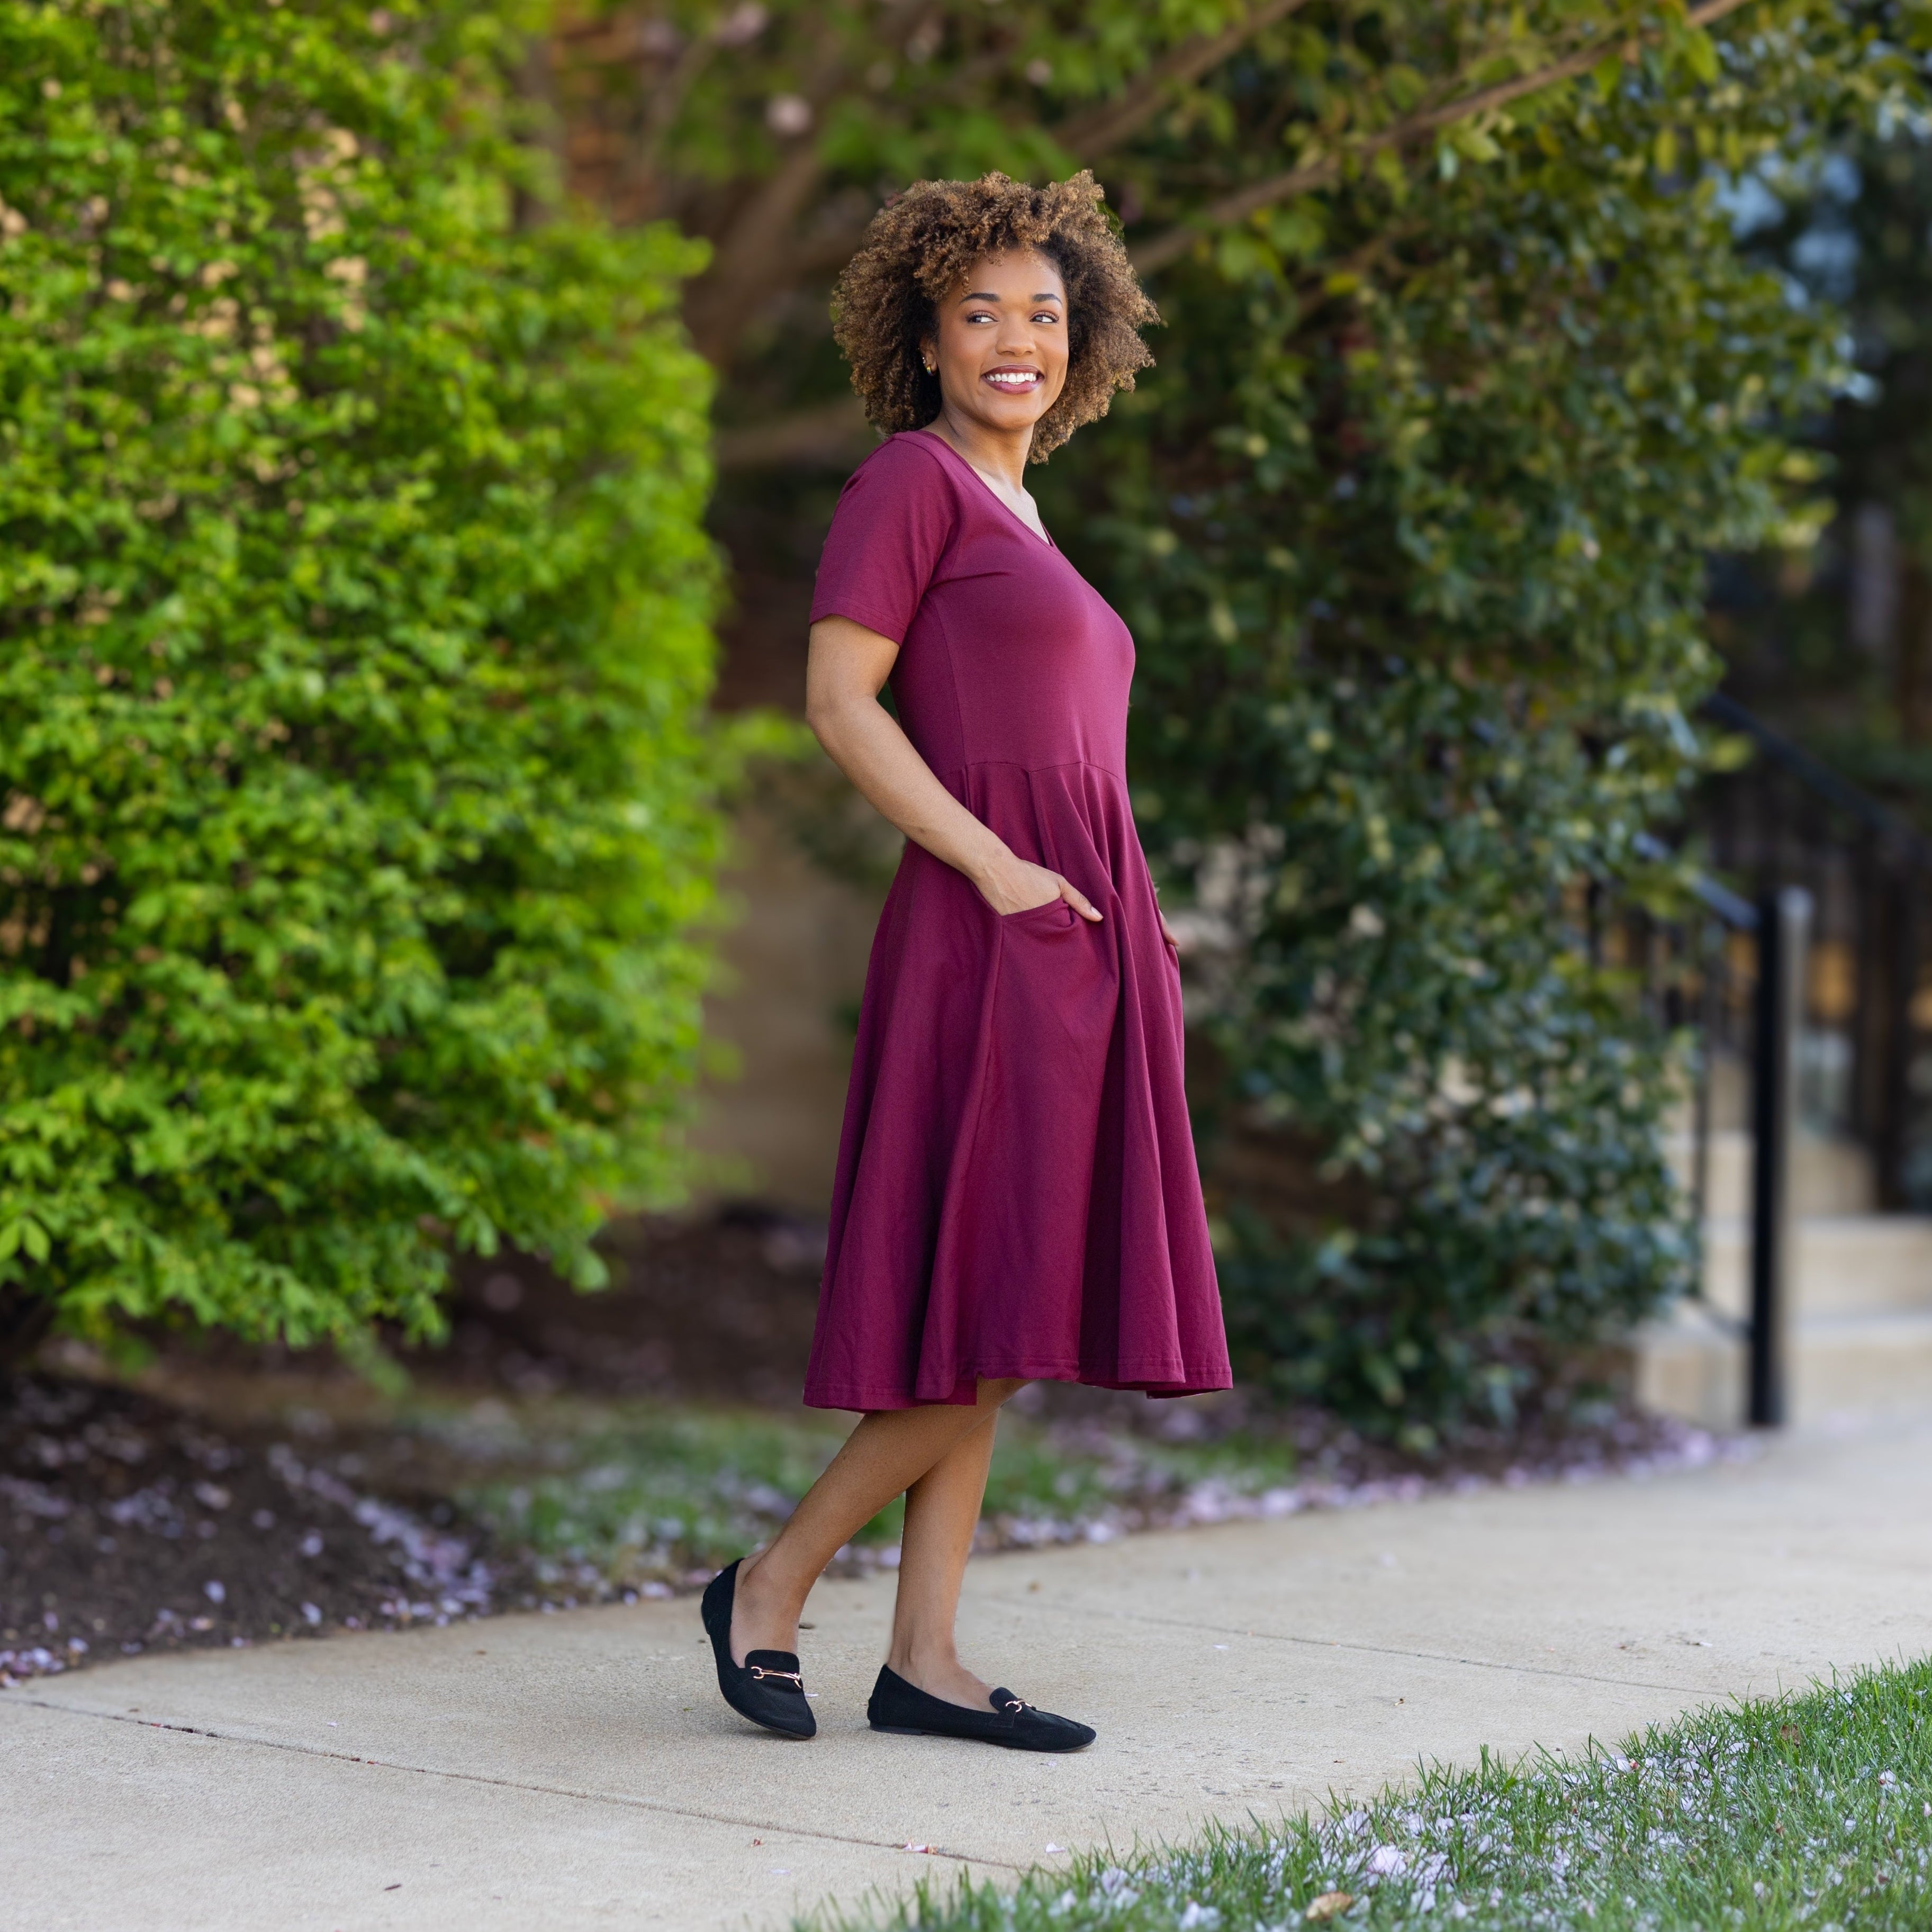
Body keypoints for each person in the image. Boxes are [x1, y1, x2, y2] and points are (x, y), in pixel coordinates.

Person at [700, 170, 1231, 1753]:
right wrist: (996, 863)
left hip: (1073, 936)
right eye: (982, 314)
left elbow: (1067, 750)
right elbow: (841, 703)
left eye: (1044, 316)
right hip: (988, 927)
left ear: (1085, 344)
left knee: (1002, 1300)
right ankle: (771, 1585)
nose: (1017, 339)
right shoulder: (911, 485)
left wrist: (1134, 908)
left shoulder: (1022, 510)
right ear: (925, 342)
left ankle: (924, 1653)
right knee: (990, 1304)